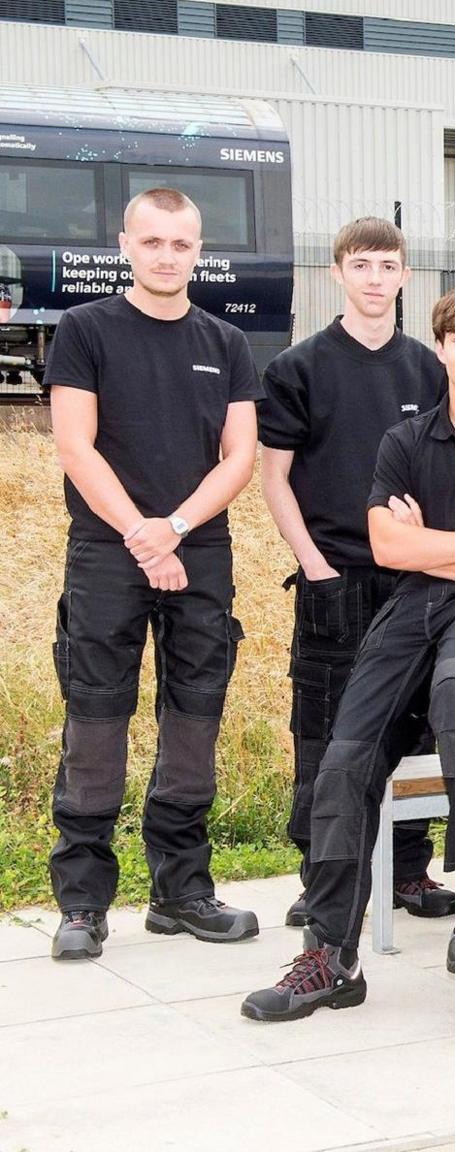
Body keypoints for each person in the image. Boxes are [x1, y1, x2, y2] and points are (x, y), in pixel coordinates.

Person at [240, 285, 455, 1019]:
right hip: (411, 604)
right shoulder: (406, 441)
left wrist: (436, 550)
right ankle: (331, 956)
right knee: (343, 760)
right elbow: (388, 545)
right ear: (443, 349)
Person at [46, 187, 262, 961]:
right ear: (126, 244)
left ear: (199, 251)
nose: (167, 256)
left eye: (181, 244)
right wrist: (141, 535)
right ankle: (82, 903)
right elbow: (77, 446)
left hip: (199, 547)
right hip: (107, 548)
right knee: (97, 720)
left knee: (194, 718)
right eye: (153, 242)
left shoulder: (227, 342)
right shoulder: (85, 330)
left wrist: (172, 529)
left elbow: (239, 457)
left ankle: (181, 891)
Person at [259, 216, 455, 928]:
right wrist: (315, 568)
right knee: (324, 733)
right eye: (362, 265)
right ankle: (321, 879)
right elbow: (275, 478)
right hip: (334, 577)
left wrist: (435, 552)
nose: (376, 279)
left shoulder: (431, 370)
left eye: (389, 266)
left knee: (416, 726)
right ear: (338, 273)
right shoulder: (299, 368)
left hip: (416, 583)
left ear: (406, 276)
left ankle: (408, 870)